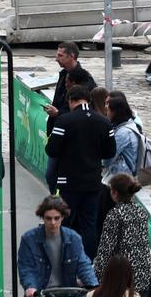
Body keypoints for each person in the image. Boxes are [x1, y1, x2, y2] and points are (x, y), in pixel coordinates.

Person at [45, 84, 117, 256]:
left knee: (64, 223)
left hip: (68, 182)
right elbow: (110, 152)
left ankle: (65, 259)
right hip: (92, 182)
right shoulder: (104, 122)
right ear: (88, 100)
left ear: (70, 100)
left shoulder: (64, 121)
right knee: (89, 225)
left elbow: (51, 150)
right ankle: (88, 263)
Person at [92, 174, 151, 297]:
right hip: (143, 274)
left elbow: (105, 250)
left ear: (114, 193)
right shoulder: (141, 212)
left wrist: (97, 277)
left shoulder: (115, 215)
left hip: (122, 276)